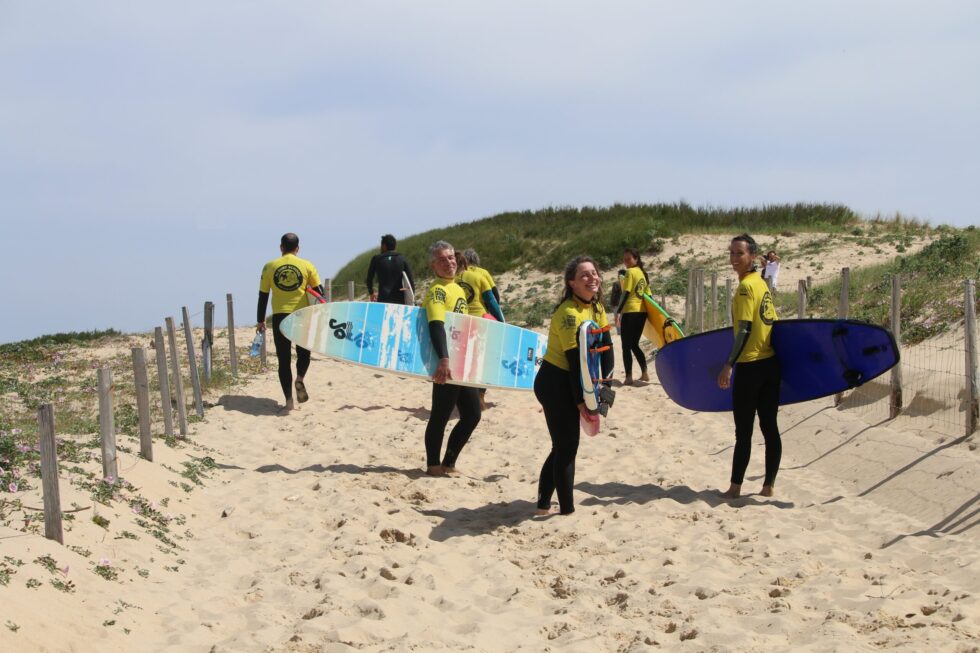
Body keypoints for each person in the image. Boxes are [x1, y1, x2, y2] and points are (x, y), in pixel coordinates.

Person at [535, 256, 614, 516]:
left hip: (577, 379)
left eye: (594, 273)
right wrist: (582, 402)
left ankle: (543, 503)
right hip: (555, 382)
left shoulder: (597, 308)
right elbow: (572, 362)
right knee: (568, 445)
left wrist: (606, 387)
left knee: (562, 445)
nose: (592, 278)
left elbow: (607, 348)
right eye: (584, 275)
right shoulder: (568, 313)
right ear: (572, 283)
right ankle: (567, 510)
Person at [716, 234, 781, 499]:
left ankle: (735, 488)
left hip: (750, 367)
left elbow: (744, 330)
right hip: (771, 364)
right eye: (731, 253)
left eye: (739, 254)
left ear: (751, 256)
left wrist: (728, 364)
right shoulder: (760, 283)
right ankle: (768, 487)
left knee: (743, 431)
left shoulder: (744, 289)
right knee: (770, 427)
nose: (734, 259)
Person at [422, 241, 482, 476]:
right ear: (433, 265)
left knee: (472, 415)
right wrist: (443, 359)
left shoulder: (456, 287)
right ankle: (433, 465)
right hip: (446, 360)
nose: (449, 263)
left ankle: (449, 462)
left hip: (461, 360)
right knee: (441, 414)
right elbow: (436, 324)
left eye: (451, 258)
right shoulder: (438, 290)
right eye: (442, 259)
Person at [257, 233, 324, 411]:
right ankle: (300, 378)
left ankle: (288, 402)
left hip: (280, 316)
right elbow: (319, 293)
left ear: (281, 248)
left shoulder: (270, 267)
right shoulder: (307, 265)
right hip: (302, 315)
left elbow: (263, 295)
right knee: (304, 353)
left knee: (284, 360)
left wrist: (260, 320)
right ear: (298, 248)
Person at [615, 248, 650, 385]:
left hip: (630, 312)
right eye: (624, 260)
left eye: (628, 259)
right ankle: (645, 373)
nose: (626, 262)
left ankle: (628, 377)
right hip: (642, 313)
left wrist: (618, 311)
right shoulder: (643, 274)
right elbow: (649, 297)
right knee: (634, 344)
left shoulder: (630, 272)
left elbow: (626, 292)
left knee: (626, 346)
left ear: (636, 258)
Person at [366, 234, 415, 304]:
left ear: (384, 246)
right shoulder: (402, 259)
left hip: (383, 299)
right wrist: (412, 298)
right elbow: (410, 281)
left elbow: (369, 280)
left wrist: (371, 293)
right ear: (395, 246)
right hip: (399, 300)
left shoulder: (376, 259)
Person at [462, 249, 503, 316]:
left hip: (462, 314)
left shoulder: (459, 274)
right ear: (476, 259)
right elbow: (495, 293)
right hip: (481, 313)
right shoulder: (483, 272)